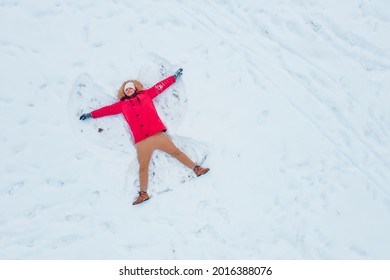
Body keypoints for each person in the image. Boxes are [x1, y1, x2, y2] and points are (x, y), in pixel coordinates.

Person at [79, 68, 210, 205]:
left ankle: (197, 169)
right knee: (143, 167)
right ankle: (143, 194)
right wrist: (90, 115)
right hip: (142, 142)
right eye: (126, 89)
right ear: (123, 92)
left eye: (130, 88)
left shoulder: (147, 95)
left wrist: (173, 78)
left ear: (135, 88)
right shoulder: (121, 105)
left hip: (157, 135)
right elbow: (105, 110)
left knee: (176, 152)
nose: (128, 90)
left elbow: (159, 87)